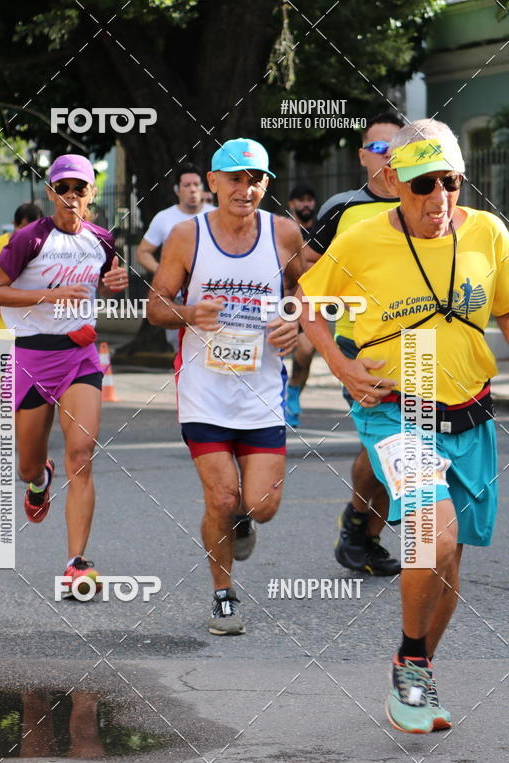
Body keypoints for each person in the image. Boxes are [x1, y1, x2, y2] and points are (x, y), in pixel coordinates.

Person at [298, 119, 509, 733]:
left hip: (469, 411)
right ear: (397, 182)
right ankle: (412, 660)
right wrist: (339, 363)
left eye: (449, 182)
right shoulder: (362, 237)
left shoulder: (491, 235)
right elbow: (310, 300)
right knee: (432, 537)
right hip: (397, 404)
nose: (437, 198)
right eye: (422, 185)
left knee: (451, 561)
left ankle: (415, 670)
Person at [147, 138, 303, 636]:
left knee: (261, 504)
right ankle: (223, 596)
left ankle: (243, 521)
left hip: (262, 394)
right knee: (219, 496)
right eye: (235, 178)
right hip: (203, 391)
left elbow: (317, 286)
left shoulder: (283, 233)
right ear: (212, 182)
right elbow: (155, 306)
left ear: (266, 184)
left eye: (255, 178)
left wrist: (296, 315)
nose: (246, 187)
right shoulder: (186, 235)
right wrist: (190, 313)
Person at [0, 154, 128, 597]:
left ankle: (76, 564)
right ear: (50, 193)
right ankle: (38, 478)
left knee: (82, 454)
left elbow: (107, 278)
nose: (71, 197)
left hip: (79, 357)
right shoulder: (29, 239)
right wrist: (48, 294)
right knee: (27, 462)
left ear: (90, 195)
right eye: (62, 189)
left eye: (80, 189)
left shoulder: (102, 240)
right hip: (30, 358)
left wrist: (113, 283)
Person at [289, 112, 405, 574]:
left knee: (408, 442)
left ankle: (365, 535)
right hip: (361, 344)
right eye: (378, 148)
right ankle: (358, 521)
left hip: (421, 345)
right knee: (387, 444)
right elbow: (308, 266)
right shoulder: (343, 206)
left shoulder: (422, 199)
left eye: (396, 148)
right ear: (362, 156)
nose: (387, 157)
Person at [137, 163, 215, 351]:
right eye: (187, 185)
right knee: (181, 349)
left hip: (211, 295)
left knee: (213, 348)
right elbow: (142, 252)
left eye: (196, 184)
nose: (192, 189)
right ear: (177, 190)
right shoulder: (164, 218)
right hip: (178, 299)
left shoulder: (215, 215)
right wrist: (166, 272)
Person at [284, 185, 318, 426]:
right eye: (300, 200)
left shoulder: (321, 232)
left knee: (305, 352)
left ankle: (294, 392)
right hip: (282, 301)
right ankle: (274, 397)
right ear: (291, 204)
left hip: (310, 301)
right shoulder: (284, 231)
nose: (306, 204)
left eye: (309, 200)